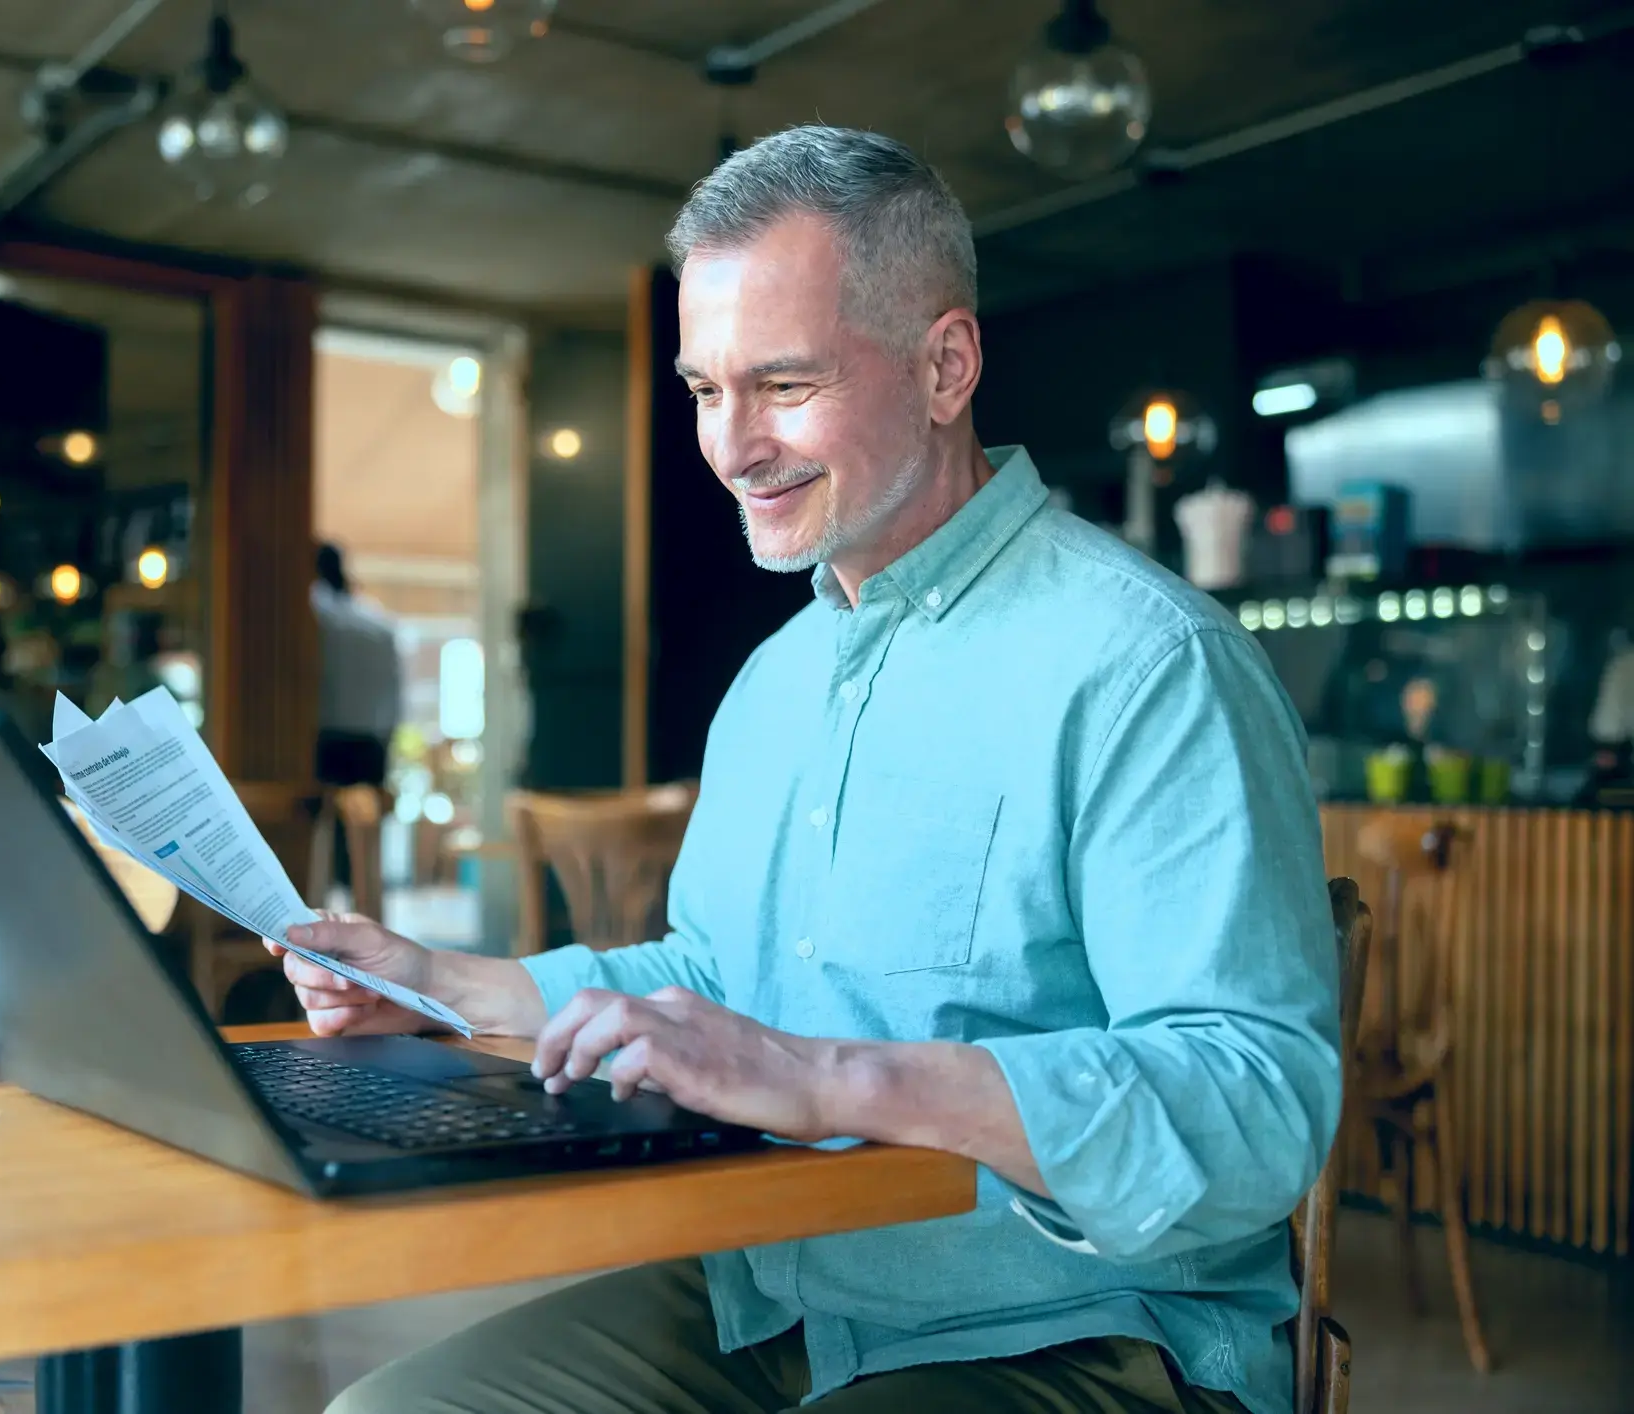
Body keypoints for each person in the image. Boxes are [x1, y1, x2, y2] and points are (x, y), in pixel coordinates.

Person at [276, 127, 1339, 1414]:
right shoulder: (774, 682)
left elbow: (1256, 1105)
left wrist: (831, 1077)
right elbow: (714, 977)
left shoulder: (1146, 664)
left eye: (783, 386)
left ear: (944, 366)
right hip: (776, 1289)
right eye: (702, 389)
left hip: (1078, 1327)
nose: (730, 447)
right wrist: (448, 987)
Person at [312, 543, 403, 892]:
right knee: (363, 851)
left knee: (319, 847)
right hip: (372, 743)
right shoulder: (377, 622)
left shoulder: (315, 614)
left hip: (325, 741)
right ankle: (364, 912)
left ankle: (322, 921)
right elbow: (395, 696)